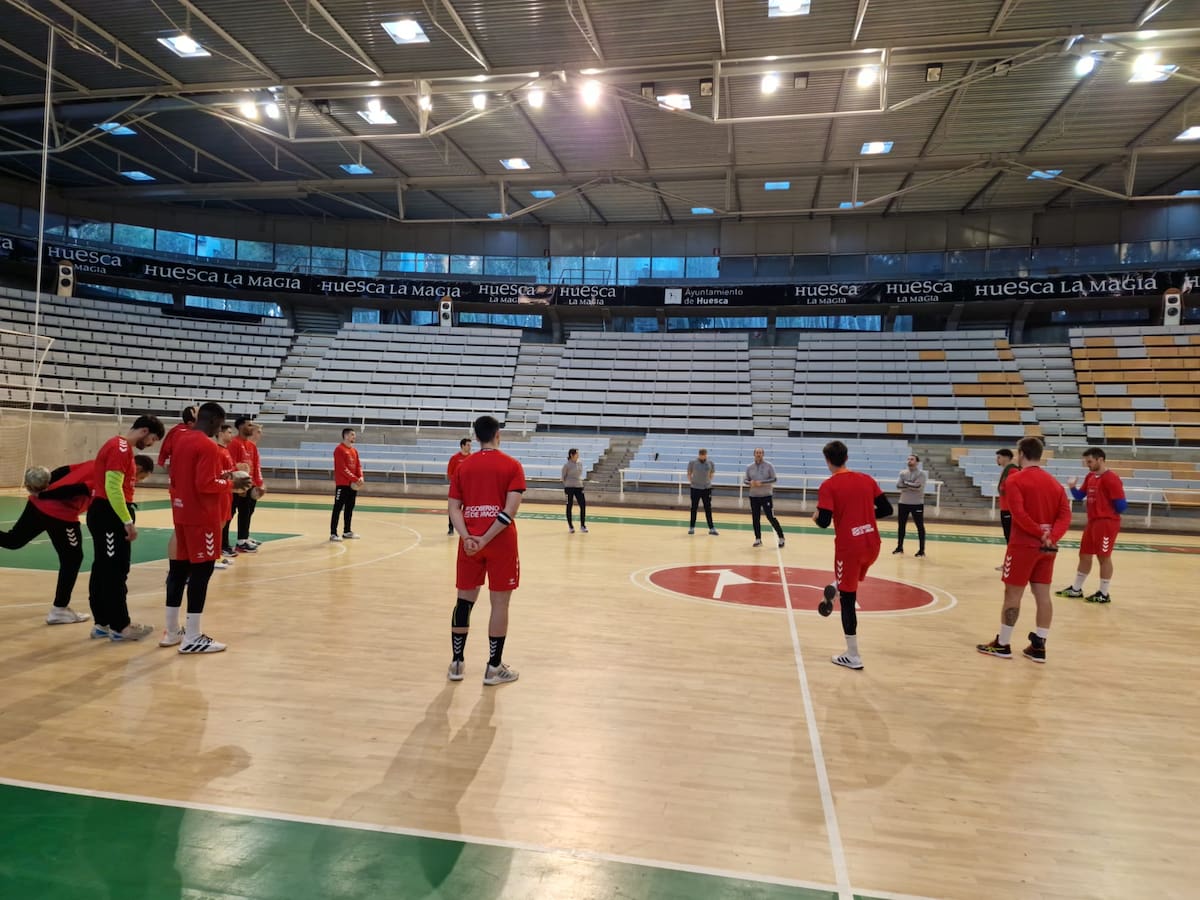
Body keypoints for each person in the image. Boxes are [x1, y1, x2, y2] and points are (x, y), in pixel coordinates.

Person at [1, 457, 151, 624]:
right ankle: (59, 610)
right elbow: (79, 489)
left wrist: (43, 487)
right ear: (137, 468)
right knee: (72, 559)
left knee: (13, 540)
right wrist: (46, 494)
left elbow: (65, 470)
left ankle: (60, 609)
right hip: (61, 514)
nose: (136, 481)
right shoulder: (112, 476)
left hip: (36, 505)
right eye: (140, 477)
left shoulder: (97, 463)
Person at [161, 402, 248, 654]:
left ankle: (172, 631)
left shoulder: (181, 440)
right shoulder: (207, 445)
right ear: (214, 422)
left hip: (181, 513)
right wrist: (231, 484)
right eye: (221, 426)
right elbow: (206, 484)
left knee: (177, 571)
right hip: (202, 517)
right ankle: (193, 636)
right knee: (201, 573)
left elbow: (177, 478)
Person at [977, 436, 1072, 664]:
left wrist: (1040, 533)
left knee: (1012, 595)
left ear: (1021, 454)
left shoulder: (1015, 480)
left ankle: (1003, 644)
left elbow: (1018, 515)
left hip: (1023, 547)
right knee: (1043, 596)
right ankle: (1039, 646)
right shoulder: (1054, 484)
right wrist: (1052, 536)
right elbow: (1065, 515)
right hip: (1048, 549)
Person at [447, 414, 525, 686]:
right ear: (498, 434)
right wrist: (486, 538)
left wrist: (469, 536)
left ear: (477, 437)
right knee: (500, 604)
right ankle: (493, 668)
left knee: (463, 602)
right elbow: (509, 510)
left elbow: (454, 508)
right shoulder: (512, 465)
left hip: (469, 545)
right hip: (500, 542)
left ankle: (457, 663)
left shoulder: (463, 467)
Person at [812, 440, 893, 670]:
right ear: (846, 458)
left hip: (850, 548)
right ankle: (837, 585)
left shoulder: (828, 486)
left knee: (848, 599)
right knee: (851, 579)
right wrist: (864, 518)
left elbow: (825, 522)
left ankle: (853, 655)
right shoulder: (866, 479)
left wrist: (816, 517)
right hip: (872, 544)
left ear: (828, 461)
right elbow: (887, 509)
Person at [87, 415, 164, 641]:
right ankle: (120, 627)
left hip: (106, 513)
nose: (150, 444)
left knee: (103, 568)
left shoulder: (122, 448)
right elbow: (113, 487)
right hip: (109, 515)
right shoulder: (120, 448)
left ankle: (102, 623)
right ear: (144, 431)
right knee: (114, 571)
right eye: (152, 439)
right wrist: (126, 521)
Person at [1056, 447, 1126, 604]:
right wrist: (1072, 487)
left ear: (1100, 459)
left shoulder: (1111, 478)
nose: (1087, 465)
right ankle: (1076, 589)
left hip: (1107, 522)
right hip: (1093, 522)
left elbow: (1121, 505)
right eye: (1086, 462)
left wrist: (1104, 508)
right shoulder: (1091, 476)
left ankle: (1103, 593)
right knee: (1084, 554)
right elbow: (1080, 496)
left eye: (1089, 461)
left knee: (1104, 557)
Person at [158, 405, 195, 562]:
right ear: (191, 419)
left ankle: (186, 566)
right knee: (181, 529)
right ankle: (176, 569)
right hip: (182, 488)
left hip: (190, 488)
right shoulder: (180, 433)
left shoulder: (194, 434)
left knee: (189, 528)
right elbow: (165, 456)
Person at [229, 416, 264, 553]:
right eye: (249, 425)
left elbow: (255, 466)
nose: (251, 428)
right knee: (229, 514)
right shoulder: (234, 443)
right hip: (237, 485)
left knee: (246, 512)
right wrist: (238, 485)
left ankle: (242, 540)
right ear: (240, 427)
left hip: (248, 485)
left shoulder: (251, 446)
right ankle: (222, 543)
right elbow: (231, 464)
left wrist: (257, 484)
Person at [743, 447, 784, 548]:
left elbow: (774, 479)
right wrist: (750, 482)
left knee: (771, 517)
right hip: (754, 496)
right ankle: (758, 539)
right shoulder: (749, 467)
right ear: (754, 454)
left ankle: (781, 537)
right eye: (757, 452)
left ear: (763, 454)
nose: (758, 454)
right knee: (755, 518)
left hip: (766, 496)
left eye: (760, 453)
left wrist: (762, 483)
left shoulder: (769, 466)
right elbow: (745, 480)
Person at [331, 427, 364, 541]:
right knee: (338, 508)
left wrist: (360, 477)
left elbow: (358, 466)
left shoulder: (354, 451)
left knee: (349, 508)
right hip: (343, 484)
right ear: (345, 436)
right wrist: (355, 479)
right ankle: (333, 533)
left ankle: (347, 531)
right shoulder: (339, 449)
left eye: (354, 435)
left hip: (353, 485)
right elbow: (342, 468)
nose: (354, 437)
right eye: (352, 435)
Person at [893, 454, 927, 557]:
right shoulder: (902, 473)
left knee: (920, 527)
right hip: (903, 503)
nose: (909, 461)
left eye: (912, 459)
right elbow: (898, 485)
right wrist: (910, 485)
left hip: (917, 503)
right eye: (908, 459)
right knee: (901, 526)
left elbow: (918, 487)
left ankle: (921, 550)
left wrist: (906, 484)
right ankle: (899, 547)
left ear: (917, 462)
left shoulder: (921, 474)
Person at [216, 422, 238, 569]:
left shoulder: (226, 451)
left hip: (227, 493)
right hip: (221, 493)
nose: (231, 435)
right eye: (229, 432)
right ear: (221, 433)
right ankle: (213, 557)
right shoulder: (217, 451)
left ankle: (218, 554)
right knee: (217, 526)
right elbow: (218, 474)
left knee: (222, 524)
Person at [994, 449, 1019, 570]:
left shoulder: (1012, 470)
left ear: (1006, 457)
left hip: (1009, 510)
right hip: (1005, 509)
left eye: (999, 457)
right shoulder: (1005, 471)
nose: (997, 460)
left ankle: (1011, 564)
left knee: (1011, 538)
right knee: (1008, 538)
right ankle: (1009, 563)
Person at [687, 448, 718, 535]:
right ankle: (691, 527)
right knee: (694, 508)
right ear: (698, 454)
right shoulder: (692, 463)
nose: (702, 455)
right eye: (701, 454)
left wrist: (707, 482)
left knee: (708, 508)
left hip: (706, 489)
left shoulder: (710, 463)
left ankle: (711, 528)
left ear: (706, 454)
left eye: (704, 454)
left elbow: (711, 474)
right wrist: (692, 482)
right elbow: (689, 473)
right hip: (695, 488)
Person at [446, 437, 472, 535]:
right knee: (453, 508)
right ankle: (451, 527)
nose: (470, 447)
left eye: (470, 445)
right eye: (468, 445)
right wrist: (458, 482)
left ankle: (467, 528)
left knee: (468, 508)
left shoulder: (472, 458)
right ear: (462, 446)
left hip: (468, 489)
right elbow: (449, 473)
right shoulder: (455, 458)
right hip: (456, 488)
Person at [562, 448, 588, 534]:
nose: (578, 455)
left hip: (579, 486)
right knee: (569, 505)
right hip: (569, 487)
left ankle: (583, 525)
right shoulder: (566, 465)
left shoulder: (580, 463)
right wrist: (568, 484)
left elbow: (580, 474)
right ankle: (570, 526)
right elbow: (563, 477)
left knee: (583, 505)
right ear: (571, 455)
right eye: (577, 454)